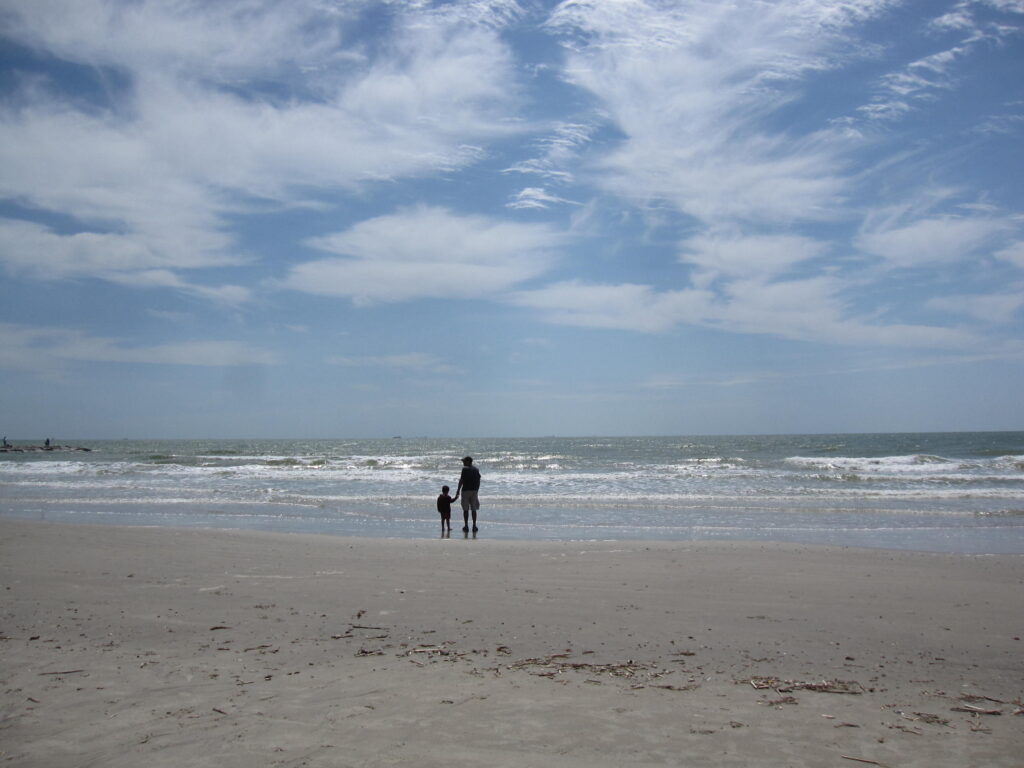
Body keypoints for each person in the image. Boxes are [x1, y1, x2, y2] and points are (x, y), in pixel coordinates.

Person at [456, 456, 481, 533]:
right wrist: (477, 490)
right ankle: (474, 525)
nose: (463, 462)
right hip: (474, 491)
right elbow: (479, 480)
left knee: (465, 509)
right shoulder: (476, 469)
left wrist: (458, 490)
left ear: (469, 461)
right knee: (473, 509)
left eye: (464, 461)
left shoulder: (465, 469)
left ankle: (466, 525)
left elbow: (461, 480)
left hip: (466, 491)